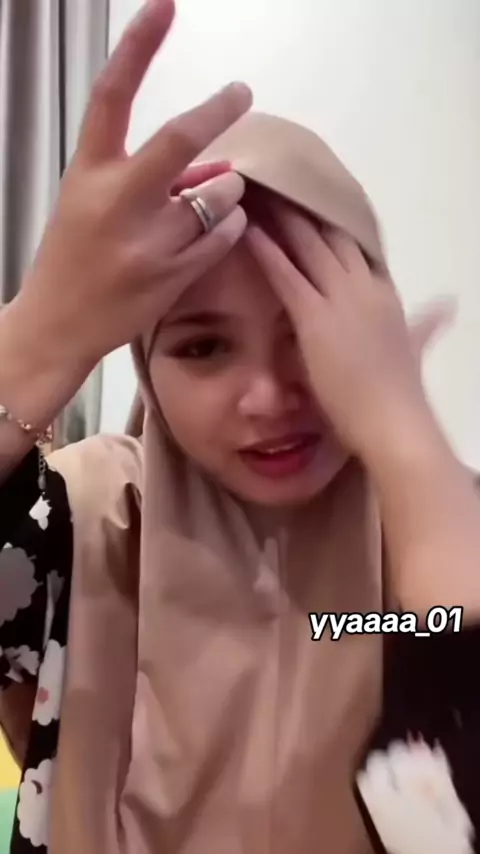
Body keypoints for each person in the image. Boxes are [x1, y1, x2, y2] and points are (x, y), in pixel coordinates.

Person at [0, 1, 479, 852]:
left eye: (311, 338)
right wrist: (39, 335)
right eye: (204, 346)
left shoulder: (436, 539)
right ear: (146, 359)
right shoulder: (81, 521)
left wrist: (409, 446)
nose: (267, 397)